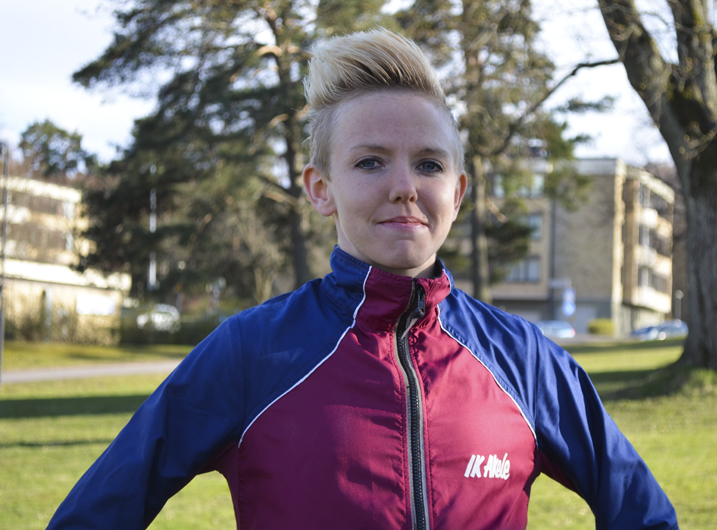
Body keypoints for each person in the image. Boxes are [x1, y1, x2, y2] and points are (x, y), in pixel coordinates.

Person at [48, 29, 678, 529]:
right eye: (370, 161)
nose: (404, 184)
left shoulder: (526, 362)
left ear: (456, 193)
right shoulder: (250, 354)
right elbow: (95, 513)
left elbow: (644, 514)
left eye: (428, 163)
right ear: (320, 190)